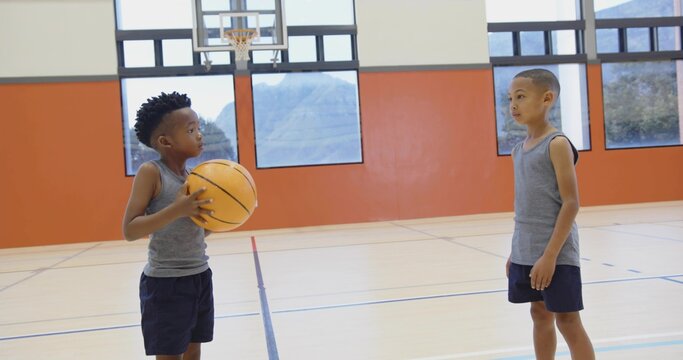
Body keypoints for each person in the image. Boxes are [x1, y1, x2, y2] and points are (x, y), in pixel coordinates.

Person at [505, 69, 595, 360]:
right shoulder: (518, 150)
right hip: (525, 251)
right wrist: (514, 251)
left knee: (567, 320)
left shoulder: (556, 144)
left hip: (556, 254)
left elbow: (571, 203)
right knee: (539, 313)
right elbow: (525, 207)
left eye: (521, 96)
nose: (513, 105)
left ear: (547, 98)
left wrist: (550, 256)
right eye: (510, 99)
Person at [122, 91, 214, 360]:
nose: (199, 134)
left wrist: (219, 221)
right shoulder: (151, 172)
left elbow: (193, 228)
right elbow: (130, 230)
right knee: (169, 354)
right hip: (166, 283)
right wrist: (178, 209)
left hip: (199, 275)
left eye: (199, 128)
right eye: (190, 129)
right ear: (165, 141)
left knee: (194, 349)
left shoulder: (193, 177)